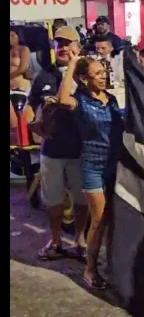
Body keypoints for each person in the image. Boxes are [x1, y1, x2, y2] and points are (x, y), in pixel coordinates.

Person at [58, 52, 124, 290]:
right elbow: (62, 98)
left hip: (114, 166)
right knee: (99, 219)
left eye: (103, 71)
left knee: (114, 219)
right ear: (84, 79)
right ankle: (90, 269)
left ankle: (112, 264)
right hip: (92, 167)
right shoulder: (80, 102)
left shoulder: (112, 100)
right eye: (97, 73)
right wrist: (72, 64)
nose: (103, 76)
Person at [23, 26, 88, 260]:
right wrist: (34, 125)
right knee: (53, 199)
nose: (62, 48)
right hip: (51, 150)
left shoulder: (86, 74)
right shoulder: (44, 75)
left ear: (78, 48)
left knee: (81, 199)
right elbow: (30, 105)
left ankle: (80, 239)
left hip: (80, 149)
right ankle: (57, 240)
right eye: (58, 44)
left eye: (68, 43)